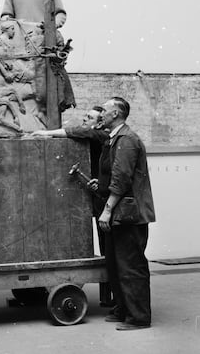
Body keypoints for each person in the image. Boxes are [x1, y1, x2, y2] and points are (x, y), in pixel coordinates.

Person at [32, 106, 113, 306]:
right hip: (94, 192)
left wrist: (46, 133)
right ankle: (108, 297)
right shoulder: (93, 134)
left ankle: (111, 296)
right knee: (103, 245)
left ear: (100, 123)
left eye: (90, 117)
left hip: (103, 196)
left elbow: (78, 131)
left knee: (107, 245)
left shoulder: (101, 135)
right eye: (85, 116)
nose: (85, 119)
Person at [93, 97, 156, 330]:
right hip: (121, 213)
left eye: (105, 111)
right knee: (116, 265)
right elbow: (112, 175)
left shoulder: (127, 140)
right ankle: (124, 309)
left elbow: (121, 180)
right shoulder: (114, 139)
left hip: (129, 215)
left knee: (131, 266)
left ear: (116, 114)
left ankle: (138, 318)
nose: (101, 114)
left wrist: (107, 210)